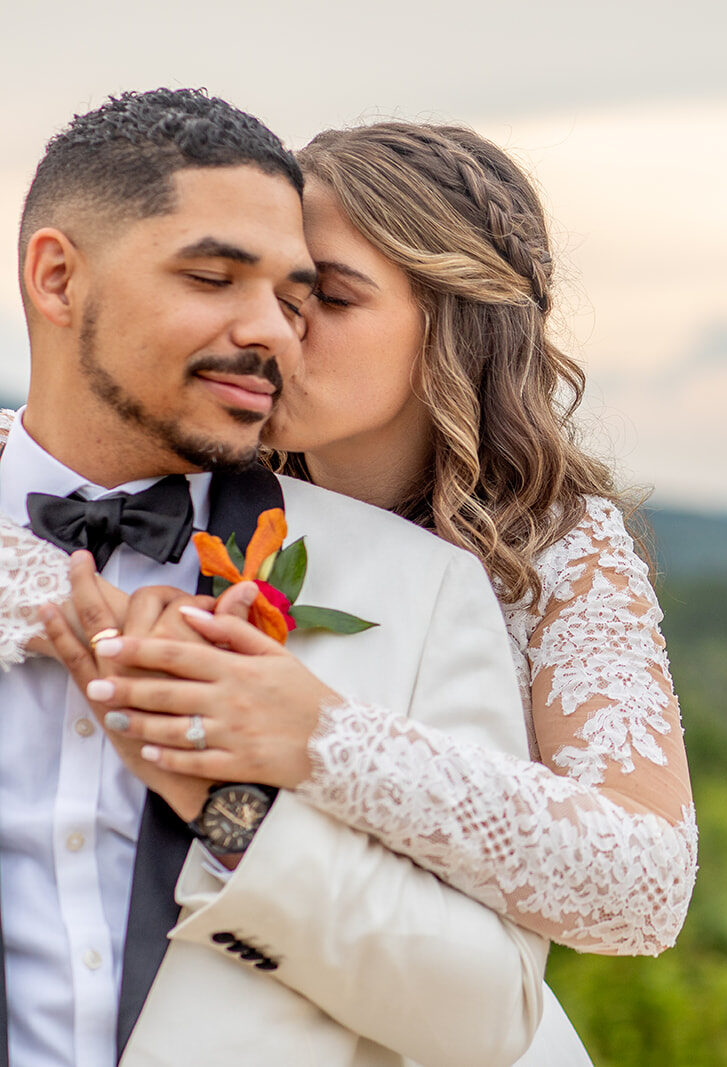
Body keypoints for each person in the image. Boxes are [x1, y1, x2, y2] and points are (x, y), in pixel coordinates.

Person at [0, 90, 551, 1067]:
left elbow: (485, 1019)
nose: (276, 333)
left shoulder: (417, 594)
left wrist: (229, 809)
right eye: (214, 276)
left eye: (297, 296)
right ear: (55, 277)